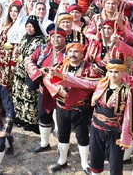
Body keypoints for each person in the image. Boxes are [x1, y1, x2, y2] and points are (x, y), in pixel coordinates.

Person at [58, 59, 133, 175]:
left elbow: (128, 117)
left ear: (122, 73)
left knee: (115, 166)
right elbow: (81, 82)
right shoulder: (101, 84)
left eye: (117, 72)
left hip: (114, 132)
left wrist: (125, 138)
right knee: (95, 163)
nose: (113, 74)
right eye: (110, 71)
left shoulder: (128, 91)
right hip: (96, 128)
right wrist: (60, 75)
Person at [45, 43, 102, 174]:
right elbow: (48, 79)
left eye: (76, 52)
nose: (72, 54)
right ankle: (62, 160)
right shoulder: (60, 66)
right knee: (62, 134)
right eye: (70, 51)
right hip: (62, 107)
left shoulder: (90, 69)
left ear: (82, 54)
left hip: (80, 108)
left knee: (82, 136)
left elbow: (92, 85)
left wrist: (70, 94)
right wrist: (57, 88)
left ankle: (84, 163)